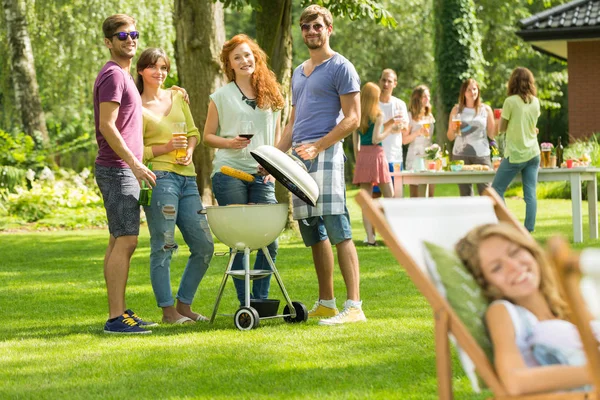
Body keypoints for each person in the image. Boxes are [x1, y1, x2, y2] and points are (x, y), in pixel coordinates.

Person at [276, 4, 366, 326]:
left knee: (337, 226)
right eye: (305, 27)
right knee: (313, 231)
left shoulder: (341, 67)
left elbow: (353, 118)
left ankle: (354, 305)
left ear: (329, 29)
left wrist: (318, 145)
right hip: (299, 158)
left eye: (317, 26)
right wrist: (272, 157)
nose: (311, 32)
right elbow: (293, 122)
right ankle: (327, 302)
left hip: (325, 154)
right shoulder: (299, 72)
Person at [455, 223, 593, 395]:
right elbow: (515, 381)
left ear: (531, 252)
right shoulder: (503, 312)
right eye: (496, 267)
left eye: (514, 252)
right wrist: (593, 372)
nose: (513, 266)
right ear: (487, 284)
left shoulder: (567, 304)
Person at [203, 34, 283, 306]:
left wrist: (275, 165)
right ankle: (245, 303)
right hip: (229, 173)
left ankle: (260, 302)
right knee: (239, 241)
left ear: (255, 57)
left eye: (247, 55)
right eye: (237, 57)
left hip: (263, 174)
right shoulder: (220, 96)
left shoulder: (270, 92)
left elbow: (277, 133)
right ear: (230, 64)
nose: (244, 60)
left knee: (268, 239)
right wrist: (230, 142)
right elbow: (207, 136)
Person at [136, 48, 214, 324]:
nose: (160, 73)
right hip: (160, 179)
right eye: (154, 67)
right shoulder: (136, 106)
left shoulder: (177, 95)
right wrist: (167, 147)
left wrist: (190, 150)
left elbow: (192, 132)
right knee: (164, 244)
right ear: (141, 71)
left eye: (164, 68)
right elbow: (136, 152)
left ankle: (184, 306)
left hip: (188, 179)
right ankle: (168, 311)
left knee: (205, 245)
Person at [94, 14, 158, 334]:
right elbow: (107, 125)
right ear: (108, 42)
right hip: (118, 169)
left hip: (121, 168)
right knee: (127, 241)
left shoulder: (122, 75)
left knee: (117, 240)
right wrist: (134, 162)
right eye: (121, 36)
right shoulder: (113, 75)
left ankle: (118, 313)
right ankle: (116, 318)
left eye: (133, 34)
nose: (129, 39)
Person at [492, 67, 541, 232]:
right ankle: (528, 230)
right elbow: (532, 127)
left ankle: (508, 227)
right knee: (530, 194)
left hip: (516, 154)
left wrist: (500, 120)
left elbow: (502, 128)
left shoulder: (510, 102)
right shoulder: (535, 101)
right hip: (534, 153)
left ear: (513, 82)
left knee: (496, 189)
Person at [352, 82, 394, 246]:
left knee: (366, 200)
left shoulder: (358, 115)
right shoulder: (378, 114)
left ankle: (370, 238)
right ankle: (392, 235)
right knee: (389, 195)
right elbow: (377, 138)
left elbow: (355, 143)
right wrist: (390, 129)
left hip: (363, 156)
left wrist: (359, 160)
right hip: (377, 155)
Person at [446, 78, 496, 196]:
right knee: (465, 195)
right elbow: (450, 137)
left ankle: (486, 215)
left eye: (474, 89)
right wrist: (453, 129)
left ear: (478, 91)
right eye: (469, 89)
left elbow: (492, 134)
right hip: (460, 155)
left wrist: (498, 122)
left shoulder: (486, 109)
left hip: (482, 155)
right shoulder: (456, 110)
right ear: (463, 92)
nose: (472, 92)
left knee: (487, 194)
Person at [377, 69, 409, 198]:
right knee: (376, 197)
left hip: (395, 157)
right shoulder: (374, 104)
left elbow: (405, 127)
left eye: (389, 81)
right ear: (379, 81)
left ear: (394, 84)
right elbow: (369, 130)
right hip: (377, 157)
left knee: (397, 196)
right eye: (383, 80)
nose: (385, 84)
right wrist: (390, 124)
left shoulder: (400, 104)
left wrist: (398, 126)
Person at [403, 85, 435, 198]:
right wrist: (418, 132)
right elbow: (404, 140)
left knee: (430, 195)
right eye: (424, 96)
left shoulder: (429, 115)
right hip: (414, 157)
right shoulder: (409, 116)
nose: (428, 99)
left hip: (428, 156)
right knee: (415, 196)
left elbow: (429, 138)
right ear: (417, 98)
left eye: (428, 96)